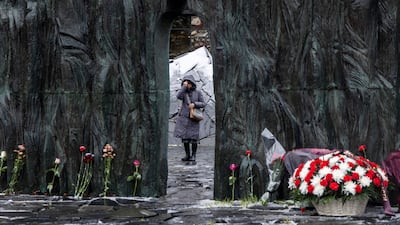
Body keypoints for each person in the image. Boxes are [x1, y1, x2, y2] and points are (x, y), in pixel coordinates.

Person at [173, 73, 206, 162]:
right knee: (185, 139)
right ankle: (187, 155)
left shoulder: (198, 92)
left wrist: (194, 104)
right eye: (185, 83)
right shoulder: (183, 93)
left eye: (188, 83)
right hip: (184, 119)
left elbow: (203, 103)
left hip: (193, 119)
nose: (187, 84)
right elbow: (178, 96)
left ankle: (193, 155)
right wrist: (183, 87)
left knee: (194, 139)